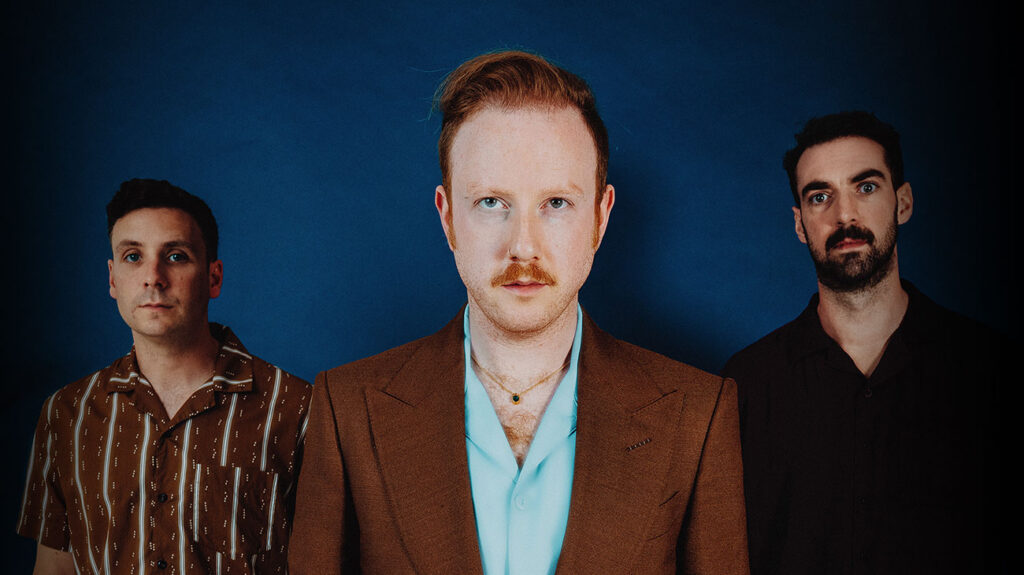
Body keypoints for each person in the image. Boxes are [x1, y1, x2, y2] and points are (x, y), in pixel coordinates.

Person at [289, 51, 749, 574]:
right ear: (448, 217)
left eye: (556, 203)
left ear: (600, 218)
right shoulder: (347, 409)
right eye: (491, 202)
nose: (523, 247)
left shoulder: (697, 416)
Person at [723, 111, 1006, 574]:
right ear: (800, 224)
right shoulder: (745, 386)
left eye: (866, 187)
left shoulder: (990, 368)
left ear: (903, 202)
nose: (845, 215)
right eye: (820, 197)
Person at [17, 179, 312, 574]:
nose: (153, 276)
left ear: (213, 277)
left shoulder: (296, 408)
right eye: (133, 256)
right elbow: (54, 567)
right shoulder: (66, 414)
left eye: (175, 256)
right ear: (112, 278)